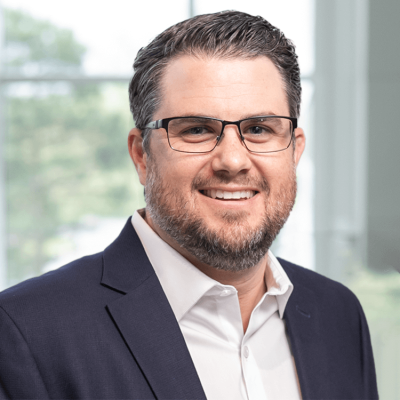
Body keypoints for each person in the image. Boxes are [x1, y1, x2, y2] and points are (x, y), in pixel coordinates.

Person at [0, 11, 378, 400]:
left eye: (259, 129)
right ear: (142, 156)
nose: (233, 161)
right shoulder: (24, 332)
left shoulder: (338, 314)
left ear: (294, 151)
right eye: (197, 130)